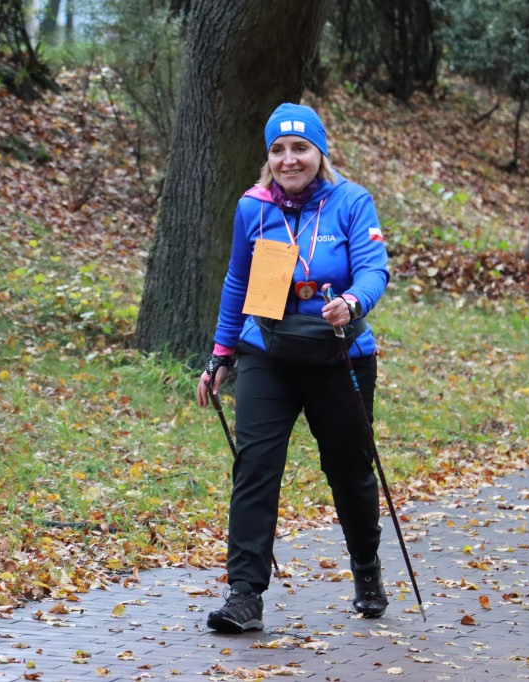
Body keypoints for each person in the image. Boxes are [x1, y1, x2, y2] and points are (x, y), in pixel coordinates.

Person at [196, 102, 391, 634]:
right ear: (269, 158)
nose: (289, 159)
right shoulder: (255, 208)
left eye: (300, 148)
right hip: (270, 353)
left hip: (338, 354)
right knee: (255, 466)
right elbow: (240, 283)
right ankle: (244, 594)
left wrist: (352, 303)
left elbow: (376, 269)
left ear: (319, 152)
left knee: (349, 471)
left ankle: (367, 570)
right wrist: (221, 354)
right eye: (278, 150)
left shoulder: (351, 202)